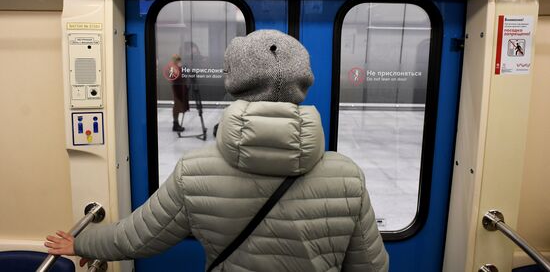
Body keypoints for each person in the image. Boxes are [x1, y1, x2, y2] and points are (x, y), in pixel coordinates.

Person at [44, 30, 389, 272]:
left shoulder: (195, 171)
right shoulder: (347, 177)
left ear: (235, 82)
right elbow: (371, 266)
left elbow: (138, 236)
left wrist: (83, 244)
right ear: (302, 83)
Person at [169, 54, 189, 132]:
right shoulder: (173, 67)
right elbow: (175, 77)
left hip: (180, 88)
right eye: (177, 59)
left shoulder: (177, 67)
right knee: (177, 106)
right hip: (177, 88)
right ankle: (175, 123)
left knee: (178, 105)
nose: (179, 61)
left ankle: (176, 123)